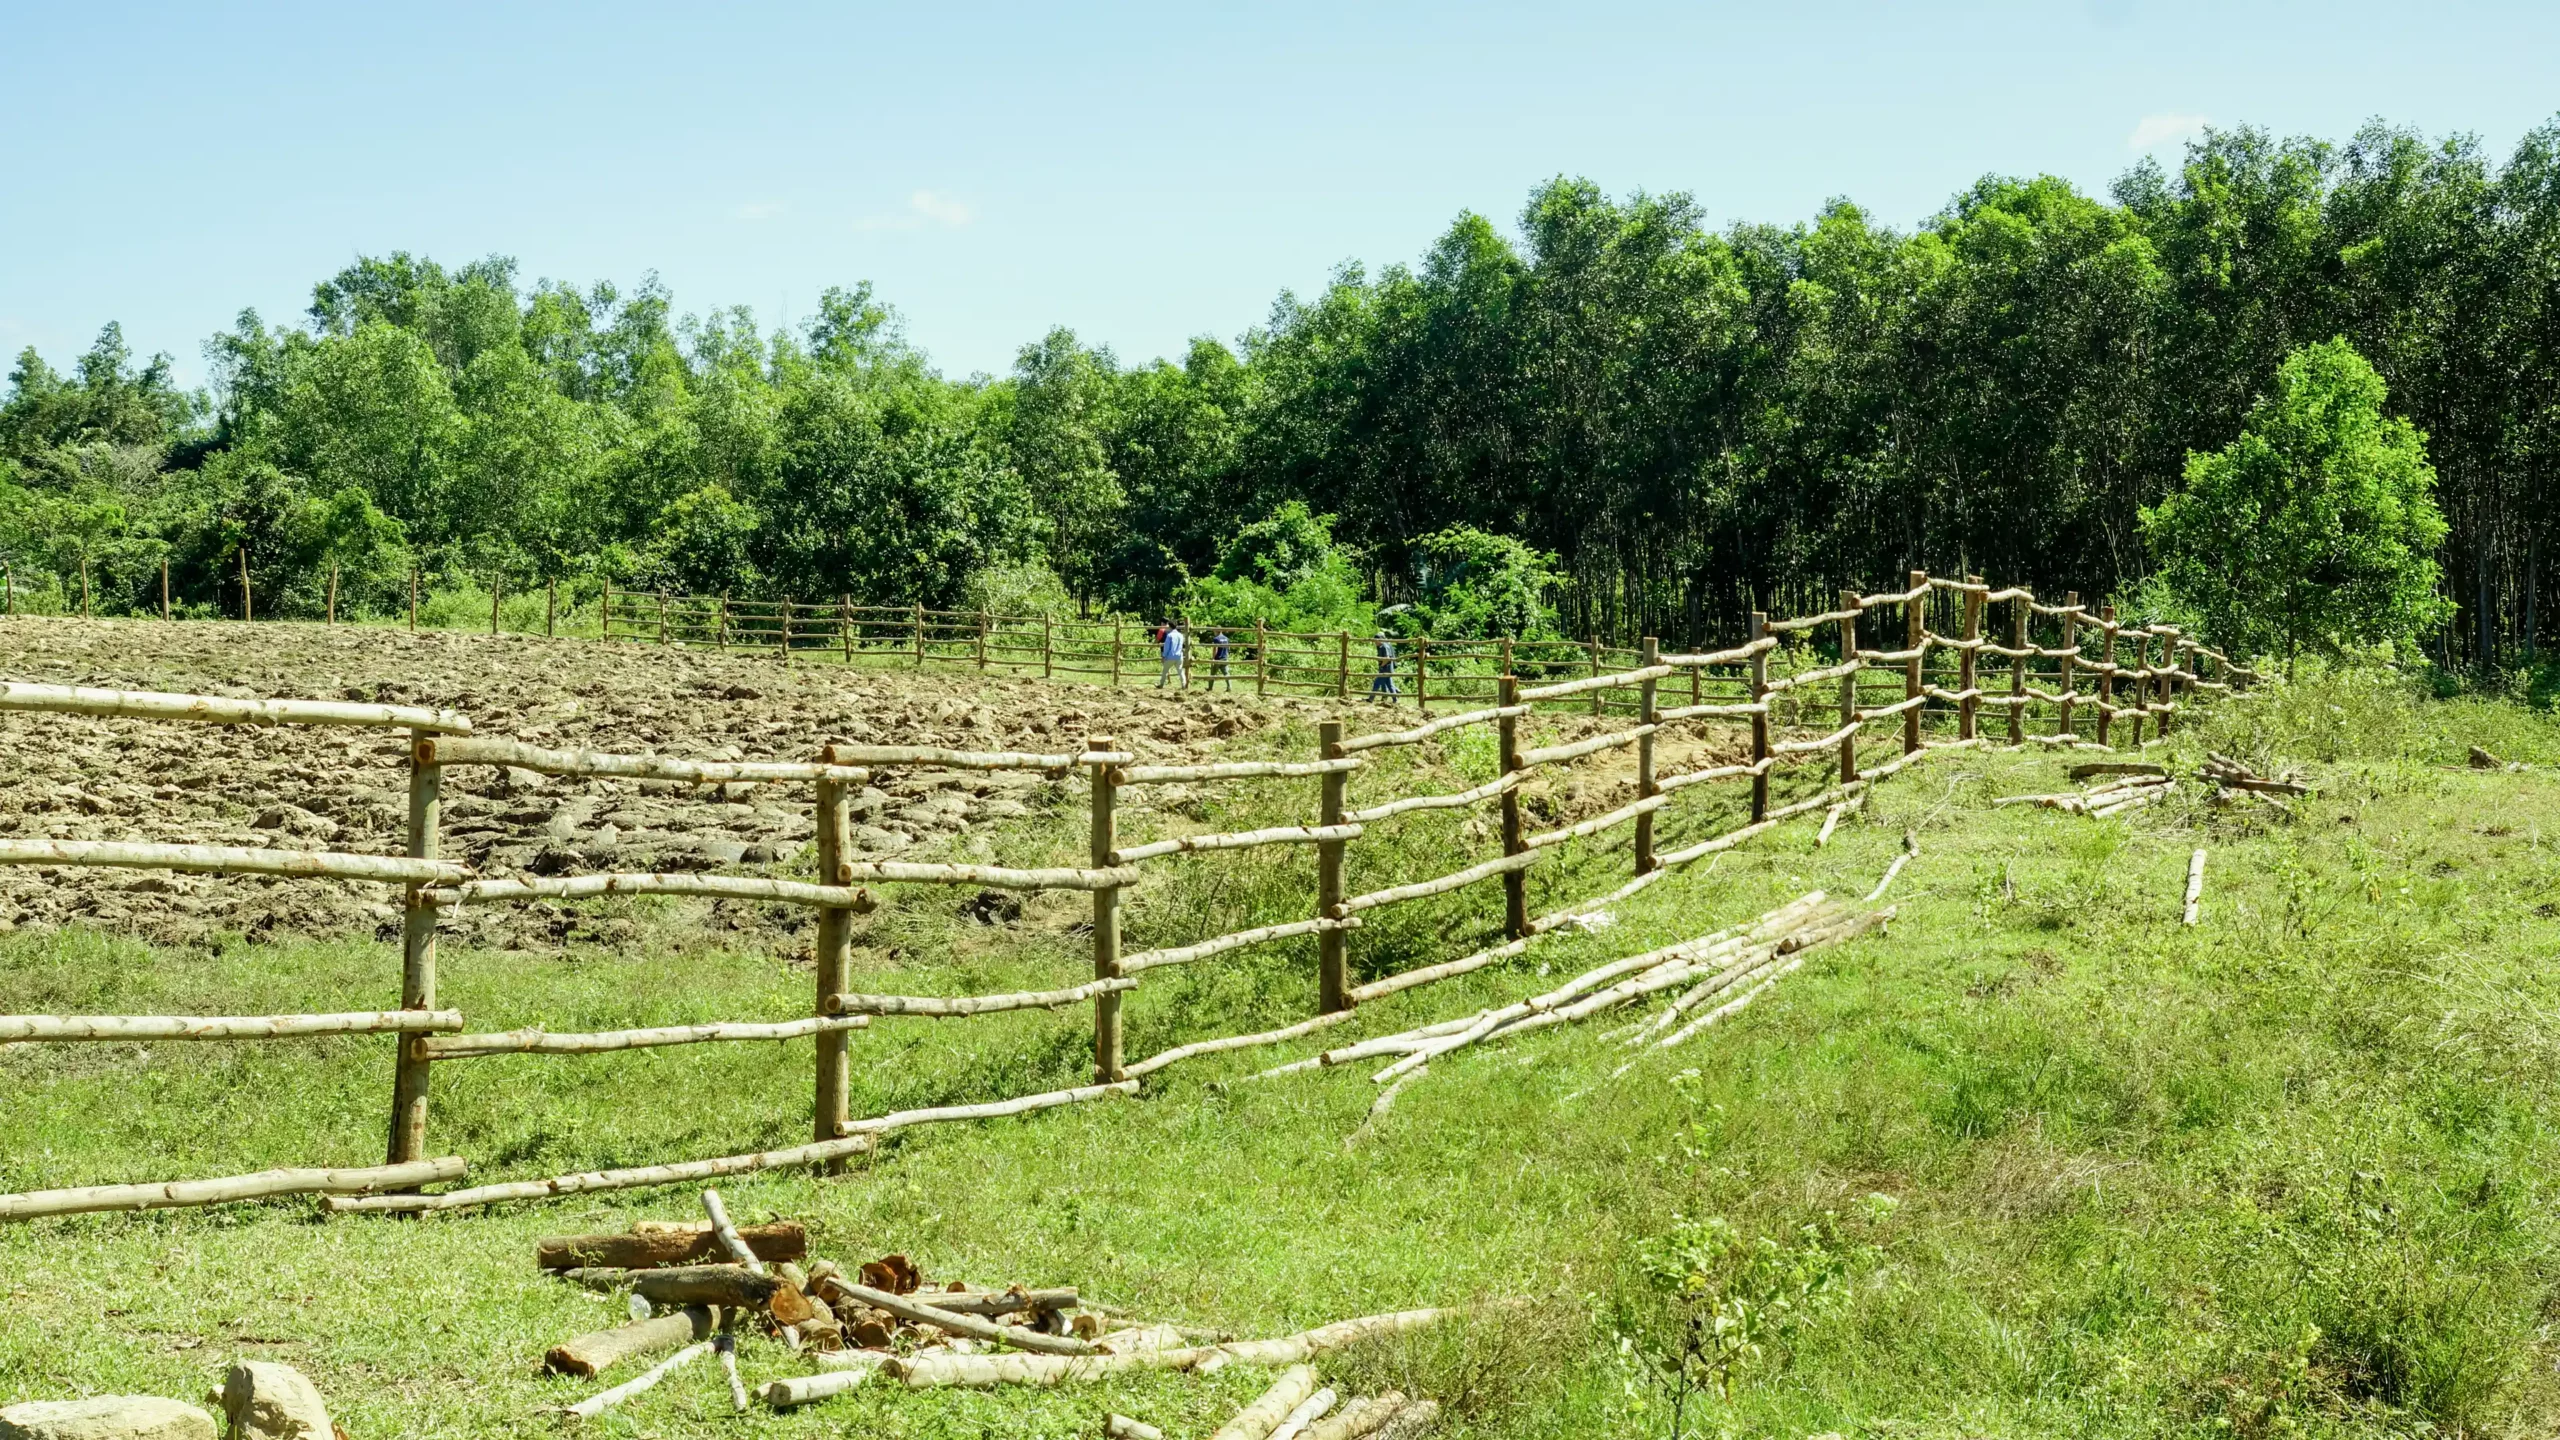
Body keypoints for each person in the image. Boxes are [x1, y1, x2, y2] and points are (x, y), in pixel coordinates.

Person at [1158, 619, 1188, 689]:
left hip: (1170, 656)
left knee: (1165, 671)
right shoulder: (1180, 635)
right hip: (1179, 656)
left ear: (1170, 626)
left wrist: (1163, 656)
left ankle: (1161, 684)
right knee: (1180, 671)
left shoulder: (1169, 635)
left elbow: (1166, 647)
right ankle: (1184, 685)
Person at [1370, 630, 1399, 702]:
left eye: (1376, 640)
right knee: (1390, 685)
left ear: (1380, 640)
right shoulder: (1382, 646)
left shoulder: (1384, 647)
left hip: (1385, 669)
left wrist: (1382, 666)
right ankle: (1395, 700)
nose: (1375, 642)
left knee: (1376, 683)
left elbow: (1387, 658)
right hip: (1387, 669)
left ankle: (1371, 699)